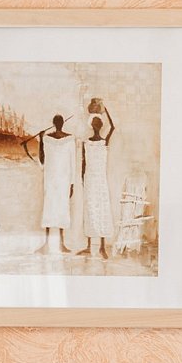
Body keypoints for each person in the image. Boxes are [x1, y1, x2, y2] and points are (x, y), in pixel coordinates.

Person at [78, 107, 116, 259]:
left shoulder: (94, 143)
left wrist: (83, 179)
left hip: (95, 180)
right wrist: (106, 111)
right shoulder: (94, 142)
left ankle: (98, 247)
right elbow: (113, 126)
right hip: (94, 179)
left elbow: (83, 165)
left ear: (94, 126)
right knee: (94, 209)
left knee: (97, 209)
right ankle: (95, 247)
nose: (96, 126)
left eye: (96, 123)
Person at [36, 115, 76, 254]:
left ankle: (49, 244)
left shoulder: (47, 139)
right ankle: (60, 244)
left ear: (53, 123)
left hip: (53, 179)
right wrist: (72, 183)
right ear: (62, 123)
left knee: (50, 207)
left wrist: (40, 140)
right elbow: (73, 163)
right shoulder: (70, 139)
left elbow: (42, 160)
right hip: (62, 180)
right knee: (61, 208)